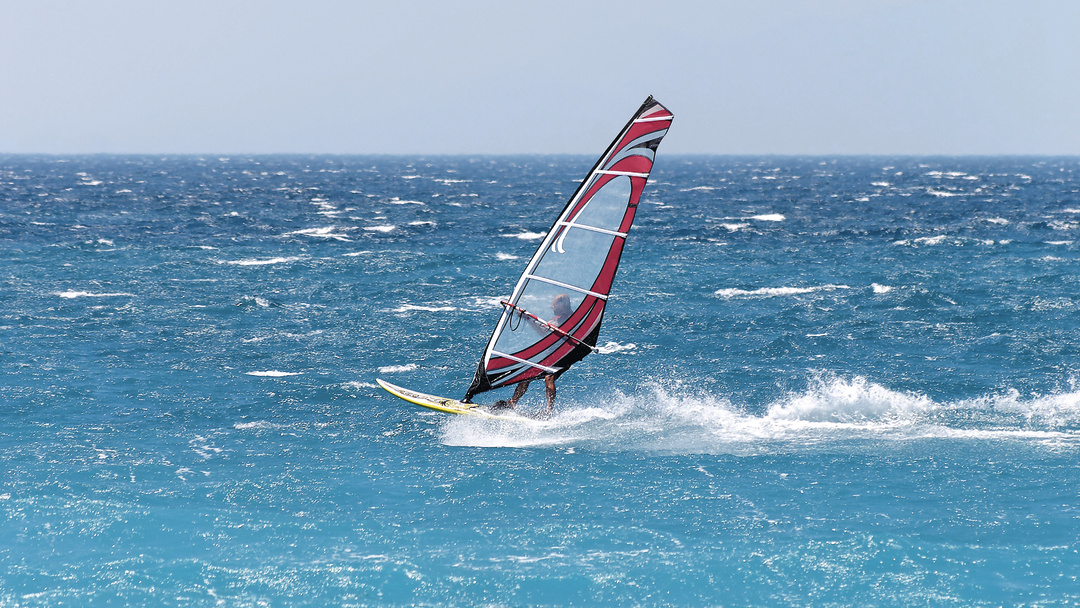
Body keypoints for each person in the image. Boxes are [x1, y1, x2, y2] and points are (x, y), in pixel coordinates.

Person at [493, 294, 573, 415]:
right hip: (550, 356)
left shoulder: (573, 319)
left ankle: (549, 411)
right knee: (527, 372)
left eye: (555, 304)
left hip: (564, 356)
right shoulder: (556, 320)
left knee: (549, 377)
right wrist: (527, 319)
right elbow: (542, 331)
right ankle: (513, 402)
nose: (552, 306)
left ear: (563, 304)